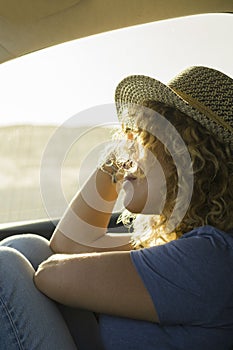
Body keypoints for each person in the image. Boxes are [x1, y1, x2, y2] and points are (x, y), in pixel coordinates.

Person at [0, 66, 232, 350]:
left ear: (186, 159)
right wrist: (118, 160)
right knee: (28, 247)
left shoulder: (208, 259)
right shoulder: (195, 247)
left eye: (146, 141)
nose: (128, 151)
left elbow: (52, 274)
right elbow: (67, 245)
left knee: (6, 267)